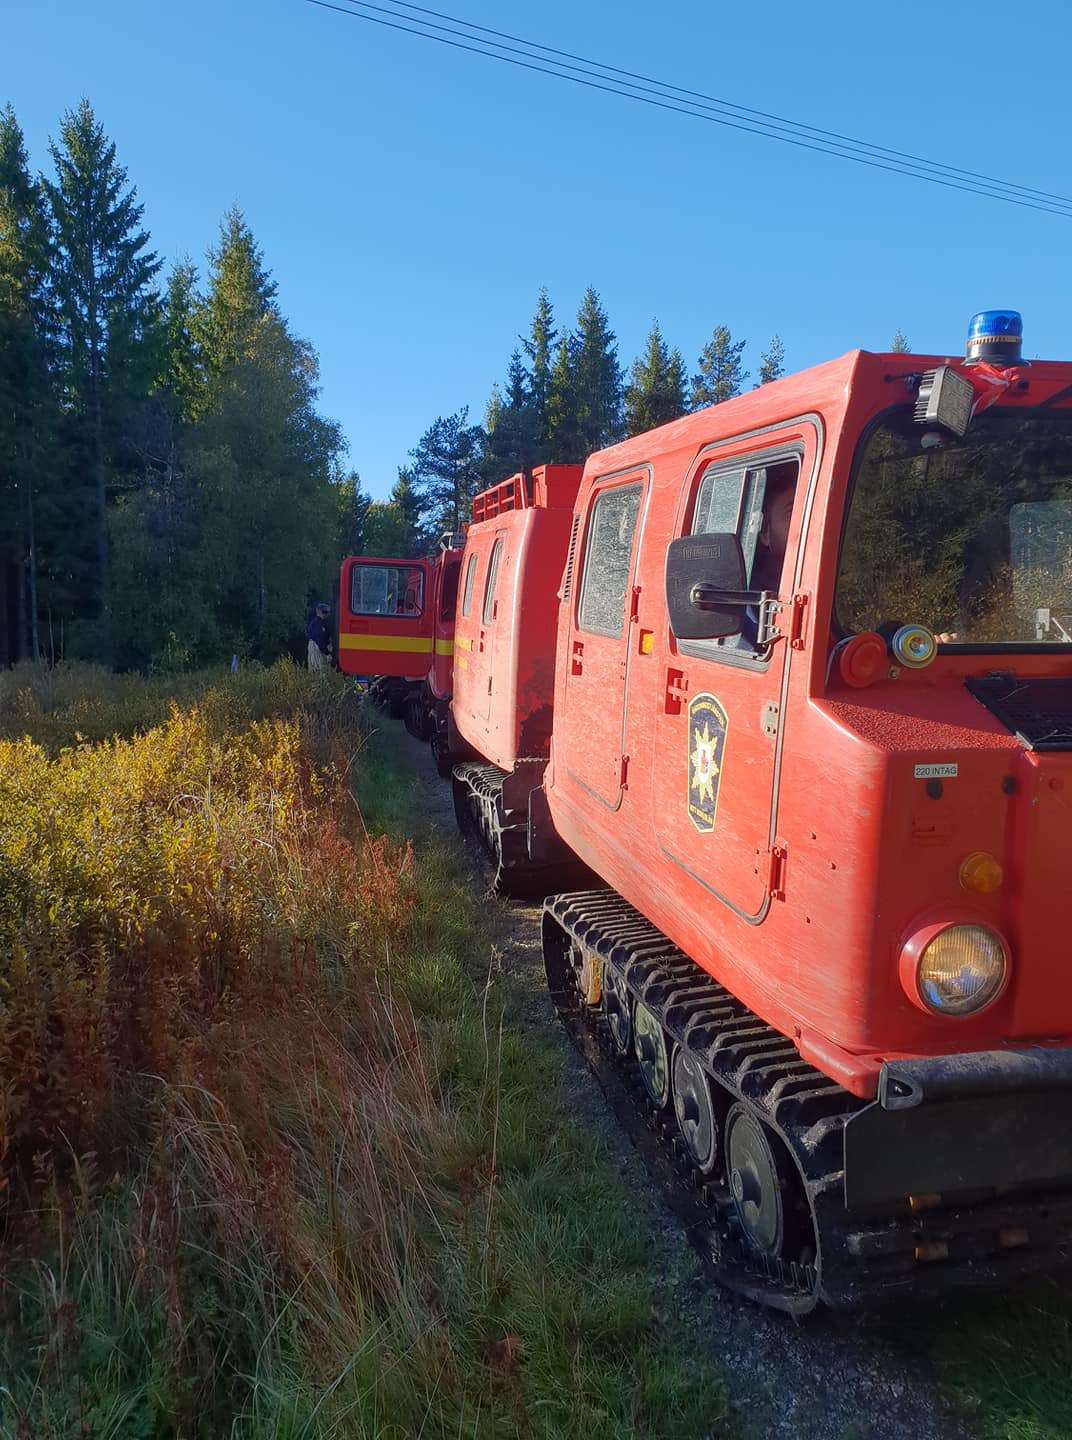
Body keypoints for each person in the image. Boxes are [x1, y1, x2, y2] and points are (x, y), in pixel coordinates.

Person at [306, 602, 332, 670]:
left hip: (319, 647)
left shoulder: (322, 622)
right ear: (318, 611)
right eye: (324, 611)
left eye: (327, 611)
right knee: (318, 669)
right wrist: (326, 653)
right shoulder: (317, 623)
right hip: (316, 646)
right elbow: (319, 638)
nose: (326, 613)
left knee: (319, 668)